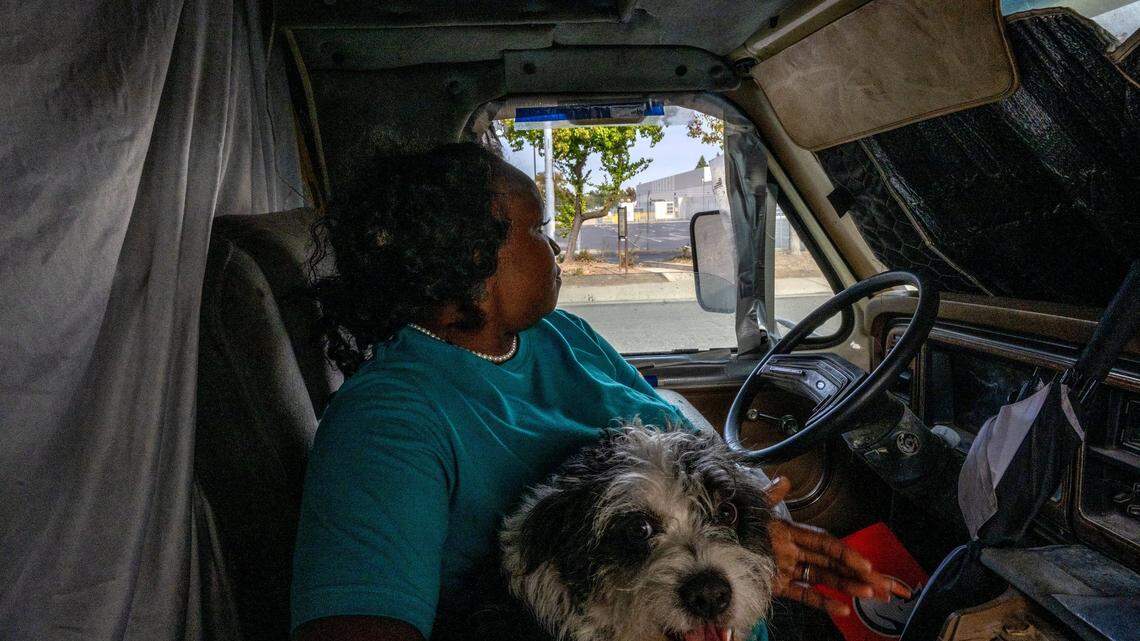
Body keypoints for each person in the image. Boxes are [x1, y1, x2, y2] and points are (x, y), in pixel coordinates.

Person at [292, 143, 908, 641]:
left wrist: (742, 530)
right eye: (538, 230)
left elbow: (665, 444)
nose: (557, 250)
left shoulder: (561, 334)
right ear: (474, 256)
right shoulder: (388, 420)